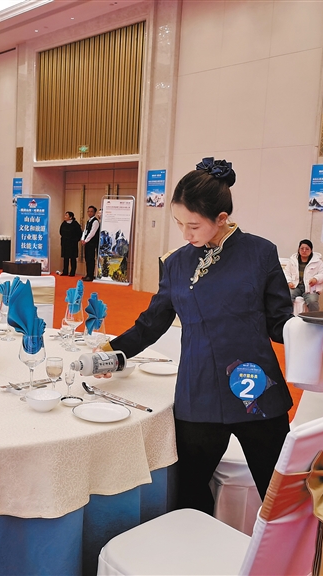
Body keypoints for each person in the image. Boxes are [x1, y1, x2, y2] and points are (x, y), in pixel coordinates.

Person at [101, 157, 294, 514]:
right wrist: (112, 352)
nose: (185, 235)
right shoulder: (176, 263)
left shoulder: (260, 254)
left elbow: (280, 323)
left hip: (255, 391)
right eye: (179, 223)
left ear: (221, 218)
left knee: (282, 498)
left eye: (193, 225)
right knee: (188, 497)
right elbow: (152, 322)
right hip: (198, 394)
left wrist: (315, 330)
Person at [284, 239, 323, 312]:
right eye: (302, 248)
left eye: (307, 249)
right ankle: (286, 317)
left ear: (311, 250)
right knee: (286, 297)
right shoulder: (292, 260)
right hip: (295, 286)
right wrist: (289, 282)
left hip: (310, 288)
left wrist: (316, 279)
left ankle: (314, 318)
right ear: (298, 249)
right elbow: (286, 272)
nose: (304, 251)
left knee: (312, 301)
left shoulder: (318, 261)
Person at [57, 211, 82, 276]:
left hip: (73, 243)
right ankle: (65, 271)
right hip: (65, 243)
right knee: (65, 258)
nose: (65, 216)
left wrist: (75, 240)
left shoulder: (75, 224)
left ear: (70, 217)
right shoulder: (63, 223)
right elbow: (61, 232)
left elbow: (79, 233)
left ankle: (72, 272)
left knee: (73, 258)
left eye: (66, 215)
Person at [80, 205, 99, 281]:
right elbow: (85, 231)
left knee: (91, 259)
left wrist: (86, 240)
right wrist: (82, 239)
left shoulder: (95, 221)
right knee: (87, 258)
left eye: (91, 211)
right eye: (88, 211)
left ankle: (91, 275)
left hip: (92, 243)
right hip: (87, 242)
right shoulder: (88, 221)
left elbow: (92, 233)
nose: (89, 213)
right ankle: (88, 274)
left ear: (94, 212)